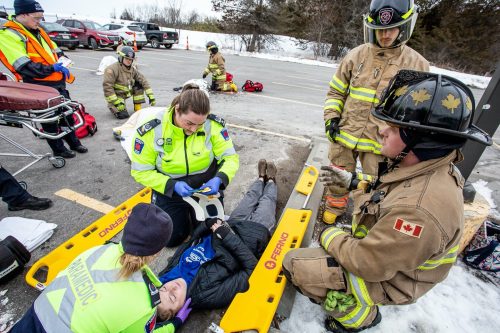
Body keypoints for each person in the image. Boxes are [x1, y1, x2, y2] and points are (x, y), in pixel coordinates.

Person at [282, 70, 492, 333]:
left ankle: (359, 318)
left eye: (393, 128)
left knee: (295, 264)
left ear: (421, 140)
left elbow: (366, 263)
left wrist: (328, 235)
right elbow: (390, 193)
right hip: (395, 259)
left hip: (396, 279)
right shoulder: (426, 164)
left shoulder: (416, 211)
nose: (381, 130)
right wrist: (354, 183)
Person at [322, 0, 429, 224]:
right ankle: (336, 204)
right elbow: (336, 92)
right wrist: (331, 118)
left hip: (380, 141)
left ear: (405, 27)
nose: (385, 35)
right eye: (380, 29)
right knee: (338, 172)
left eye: (391, 28)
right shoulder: (356, 55)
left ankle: (364, 219)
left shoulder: (417, 65)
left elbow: (417, 112)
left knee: (376, 183)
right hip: (345, 133)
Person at [10, 203, 194, 333]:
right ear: (157, 252)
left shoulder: (99, 250)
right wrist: (175, 324)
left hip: (29, 321)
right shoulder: (143, 302)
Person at [155, 160, 278, 324]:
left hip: (227, 225)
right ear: (179, 310)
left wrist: (206, 225)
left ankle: (261, 178)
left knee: (249, 197)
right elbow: (251, 270)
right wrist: (227, 236)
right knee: (267, 200)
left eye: (164, 289)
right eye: (172, 297)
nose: (172, 287)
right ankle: (271, 181)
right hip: (253, 234)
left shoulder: (165, 276)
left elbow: (191, 243)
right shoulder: (207, 296)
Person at [130, 85, 239, 247]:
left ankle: (193, 217)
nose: (194, 129)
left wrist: (220, 179)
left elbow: (229, 157)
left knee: (210, 234)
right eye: (189, 123)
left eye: (199, 124)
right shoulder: (151, 130)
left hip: (206, 188)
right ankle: (182, 216)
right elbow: (141, 172)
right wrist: (171, 185)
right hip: (170, 190)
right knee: (172, 240)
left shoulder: (213, 124)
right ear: (177, 109)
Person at [0, 0, 88, 159]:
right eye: (36, 18)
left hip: (57, 83)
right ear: (23, 14)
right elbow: (25, 67)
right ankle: (59, 149)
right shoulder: (9, 35)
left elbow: (56, 50)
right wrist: (52, 68)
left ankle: (74, 143)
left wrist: (63, 61)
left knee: (66, 114)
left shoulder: (39, 31)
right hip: (38, 86)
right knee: (49, 121)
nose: (39, 21)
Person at [103, 45, 156, 119]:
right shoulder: (111, 70)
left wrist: (150, 95)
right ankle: (112, 106)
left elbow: (143, 79)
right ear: (121, 57)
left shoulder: (132, 69)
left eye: (131, 59)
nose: (129, 61)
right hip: (117, 95)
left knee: (139, 83)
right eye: (127, 59)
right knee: (123, 115)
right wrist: (116, 102)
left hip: (127, 92)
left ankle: (137, 107)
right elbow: (107, 88)